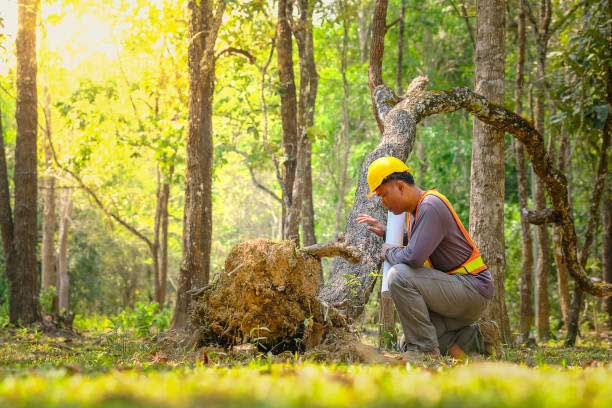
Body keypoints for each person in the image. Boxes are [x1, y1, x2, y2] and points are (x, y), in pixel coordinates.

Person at [357, 156, 500, 359]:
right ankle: (478, 338)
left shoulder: (430, 205)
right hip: (458, 293)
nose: (383, 202)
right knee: (407, 342)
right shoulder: (415, 212)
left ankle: (424, 351)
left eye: (383, 195)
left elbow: (414, 257)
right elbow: (420, 241)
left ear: (400, 186)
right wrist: (386, 232)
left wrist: (387, 250)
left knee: (399, 276)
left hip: (471, 288)